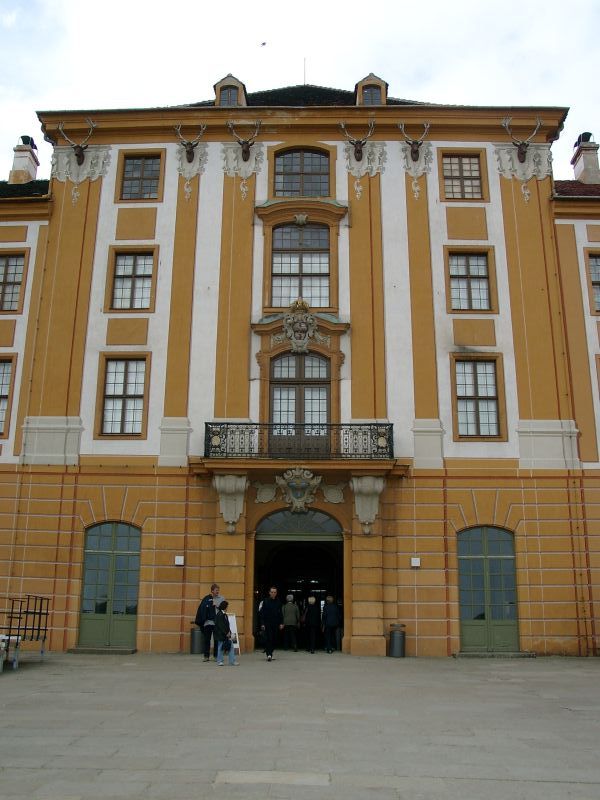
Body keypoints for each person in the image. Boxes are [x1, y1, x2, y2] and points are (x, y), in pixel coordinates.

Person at [195, 583, 225, 662]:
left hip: (217, 622)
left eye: (218, 590)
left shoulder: (221, 598)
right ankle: (206, 656)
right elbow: (202, 608)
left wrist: (217, 605)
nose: (217, 591)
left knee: (216, 639)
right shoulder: (207, 598)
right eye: (216, 590)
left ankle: (215, 656)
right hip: (208, 622)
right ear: (212, 591)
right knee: (207, 639)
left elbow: (224, 609)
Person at [258, 586, 283, 661]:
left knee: (275, 639)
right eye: (272, 592)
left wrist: (281, 623)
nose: (273, 593)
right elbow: (262, 613)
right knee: (269, 638)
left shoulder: (278, 602)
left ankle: (270, 652)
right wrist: (262, 624)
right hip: (267, 623)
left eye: (274, 592)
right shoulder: (265, 601)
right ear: (269, 593)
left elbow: (280, 613)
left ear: (276, 593)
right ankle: (269, 654)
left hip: (276, 623)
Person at [214, 600, 238, 666]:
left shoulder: (224, 615)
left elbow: (227, 625)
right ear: (224, 607)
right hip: (221, 634)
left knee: (231, 646)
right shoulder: (220, 614)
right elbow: (220, 625)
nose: (227, 608)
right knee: (220, 647)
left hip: (226, 634)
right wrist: (226, 633)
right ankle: (219, 661)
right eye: (227, 606)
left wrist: (229, 632)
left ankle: (232, 661)